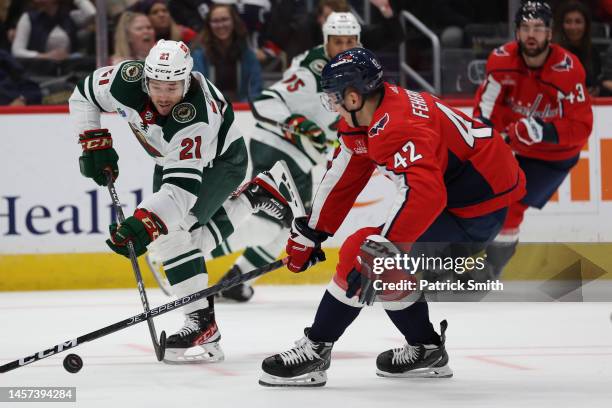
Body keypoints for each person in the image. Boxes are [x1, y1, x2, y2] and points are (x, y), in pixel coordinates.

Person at [258, 47, 526, 386]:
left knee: (364, 253)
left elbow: (428, 194)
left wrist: (382, 252)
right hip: (460, 195)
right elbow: (345, 173)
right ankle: (426, 348)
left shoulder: (397, 126)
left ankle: (316, 350)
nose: (333, 107)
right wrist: (313, 232)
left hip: (476, 211)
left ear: (354, 97)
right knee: (376, 257)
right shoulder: (372, 113)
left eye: (334, 99)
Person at [68, 39, 294, 363]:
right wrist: (94, 141)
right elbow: (83, 94)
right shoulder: (125, 79)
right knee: (177, 242)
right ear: (144, 78)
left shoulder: (194, 118)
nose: (163, 94)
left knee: (170, 236)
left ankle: (201, 322)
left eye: (172, 86)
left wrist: (144, 224)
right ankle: (253, 197)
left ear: (187, 80)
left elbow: (180, 194)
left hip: (221, 162)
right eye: (156, 84)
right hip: (170, 159)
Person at [212, 11, 360, 302]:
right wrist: (297, 123)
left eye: (350, 41)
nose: (344, 48)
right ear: (326, 42)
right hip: (280, 151)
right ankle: (187, 254)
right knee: (273, 225)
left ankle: (233, 281)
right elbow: (266, 102)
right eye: (338, 41)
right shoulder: (311, 71)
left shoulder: (357, 68)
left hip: (300, 159)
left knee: (291, 230)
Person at [472, 1, 593, 280]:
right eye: (525, 27)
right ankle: (456, 257)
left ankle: (491, 271)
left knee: (512, 202)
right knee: (472, 191)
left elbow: (582, 127)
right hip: (509, 142)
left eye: (538, 28)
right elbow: (485, 106)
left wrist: (542, 130)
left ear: (550, 34)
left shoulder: (568, 69)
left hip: (552, 156)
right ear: (516, 32)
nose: (531, 34)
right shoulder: (501, 59)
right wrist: (487, 135)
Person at [191, 3, 261, 102]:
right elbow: (197, 90)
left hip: (243, 110)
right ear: (209, 25)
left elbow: (255, 91)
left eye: (224, 19)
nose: (221, 25)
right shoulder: (199, 56)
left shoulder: (248, 55)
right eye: (215, 21)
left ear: (233, 22)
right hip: (211, 110)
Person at [11, 0, 95, 60]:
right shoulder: (28, 18)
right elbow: (17, 51)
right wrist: (45, 56)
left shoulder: (70, 16)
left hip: (68, 70)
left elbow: (92, 14)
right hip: (40, 72)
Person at [553, 0, 601, 95]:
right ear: (561, 25)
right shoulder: (553, 52)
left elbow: (595, 82)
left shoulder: (593, 52)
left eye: (578, 22)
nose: (573, 27)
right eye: (568, 22)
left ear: (586, 25)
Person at [130, 0, 196, 44]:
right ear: (147, 18)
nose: (161, 15)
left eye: (164, 11)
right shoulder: (144, 40)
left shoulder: (186, 34)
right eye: (155, 12)